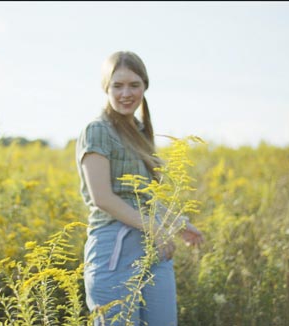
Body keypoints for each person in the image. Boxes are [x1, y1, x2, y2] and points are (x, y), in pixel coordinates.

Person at [75, 51, 205, 325]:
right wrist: (154, 228)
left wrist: (178, 223)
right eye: (117, 85)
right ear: (105, 88)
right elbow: (102, 197)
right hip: (114, 249)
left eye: (134, 85)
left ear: (145, 86)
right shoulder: (97, 130)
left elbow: (144, 197)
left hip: (153, 247)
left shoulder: (140, 130)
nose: (126, 93)